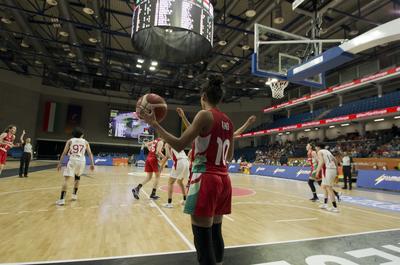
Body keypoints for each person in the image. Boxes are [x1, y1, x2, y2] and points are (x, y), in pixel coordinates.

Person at [140, 77, 233, 265]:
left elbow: (180, 143)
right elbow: (229, 156)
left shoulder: (204, 115)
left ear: (203, 96)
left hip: (205, 178)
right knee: (216, 231)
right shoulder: (228, 121)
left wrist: (155, 124)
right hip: (224, 179)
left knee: (202, 236)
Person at [56, 127, 94, 206]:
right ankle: (74, 195)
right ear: (82, 134)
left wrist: (60, 163)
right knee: (77, 177)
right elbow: (90, 153)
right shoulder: (86, 142)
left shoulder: (70, 141)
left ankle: (62, 200)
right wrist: (92, 164)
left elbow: (64, 152)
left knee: (66, 179)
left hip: (73, 160)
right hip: (82, 161)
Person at [163, 143, 189, 208]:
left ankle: (169, 203)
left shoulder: (167, 143)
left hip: (179, 161)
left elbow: (167, 155)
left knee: (170, 182)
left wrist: (171, 159)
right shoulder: (176, 142)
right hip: (186, 161)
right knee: (180, 182)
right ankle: (185, 200)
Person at [315, 143, 339, 213]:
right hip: (331, 169)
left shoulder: (320, 152)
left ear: (318, 147)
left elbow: (321, 162)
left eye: (316, 147)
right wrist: (337, 170)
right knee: (324, 186)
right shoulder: (327, 151)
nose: (315, 149)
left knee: (329, 188)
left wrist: (317, 171)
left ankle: (335, 207)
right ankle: (325, 204)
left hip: (328, 170)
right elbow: (335, 160)